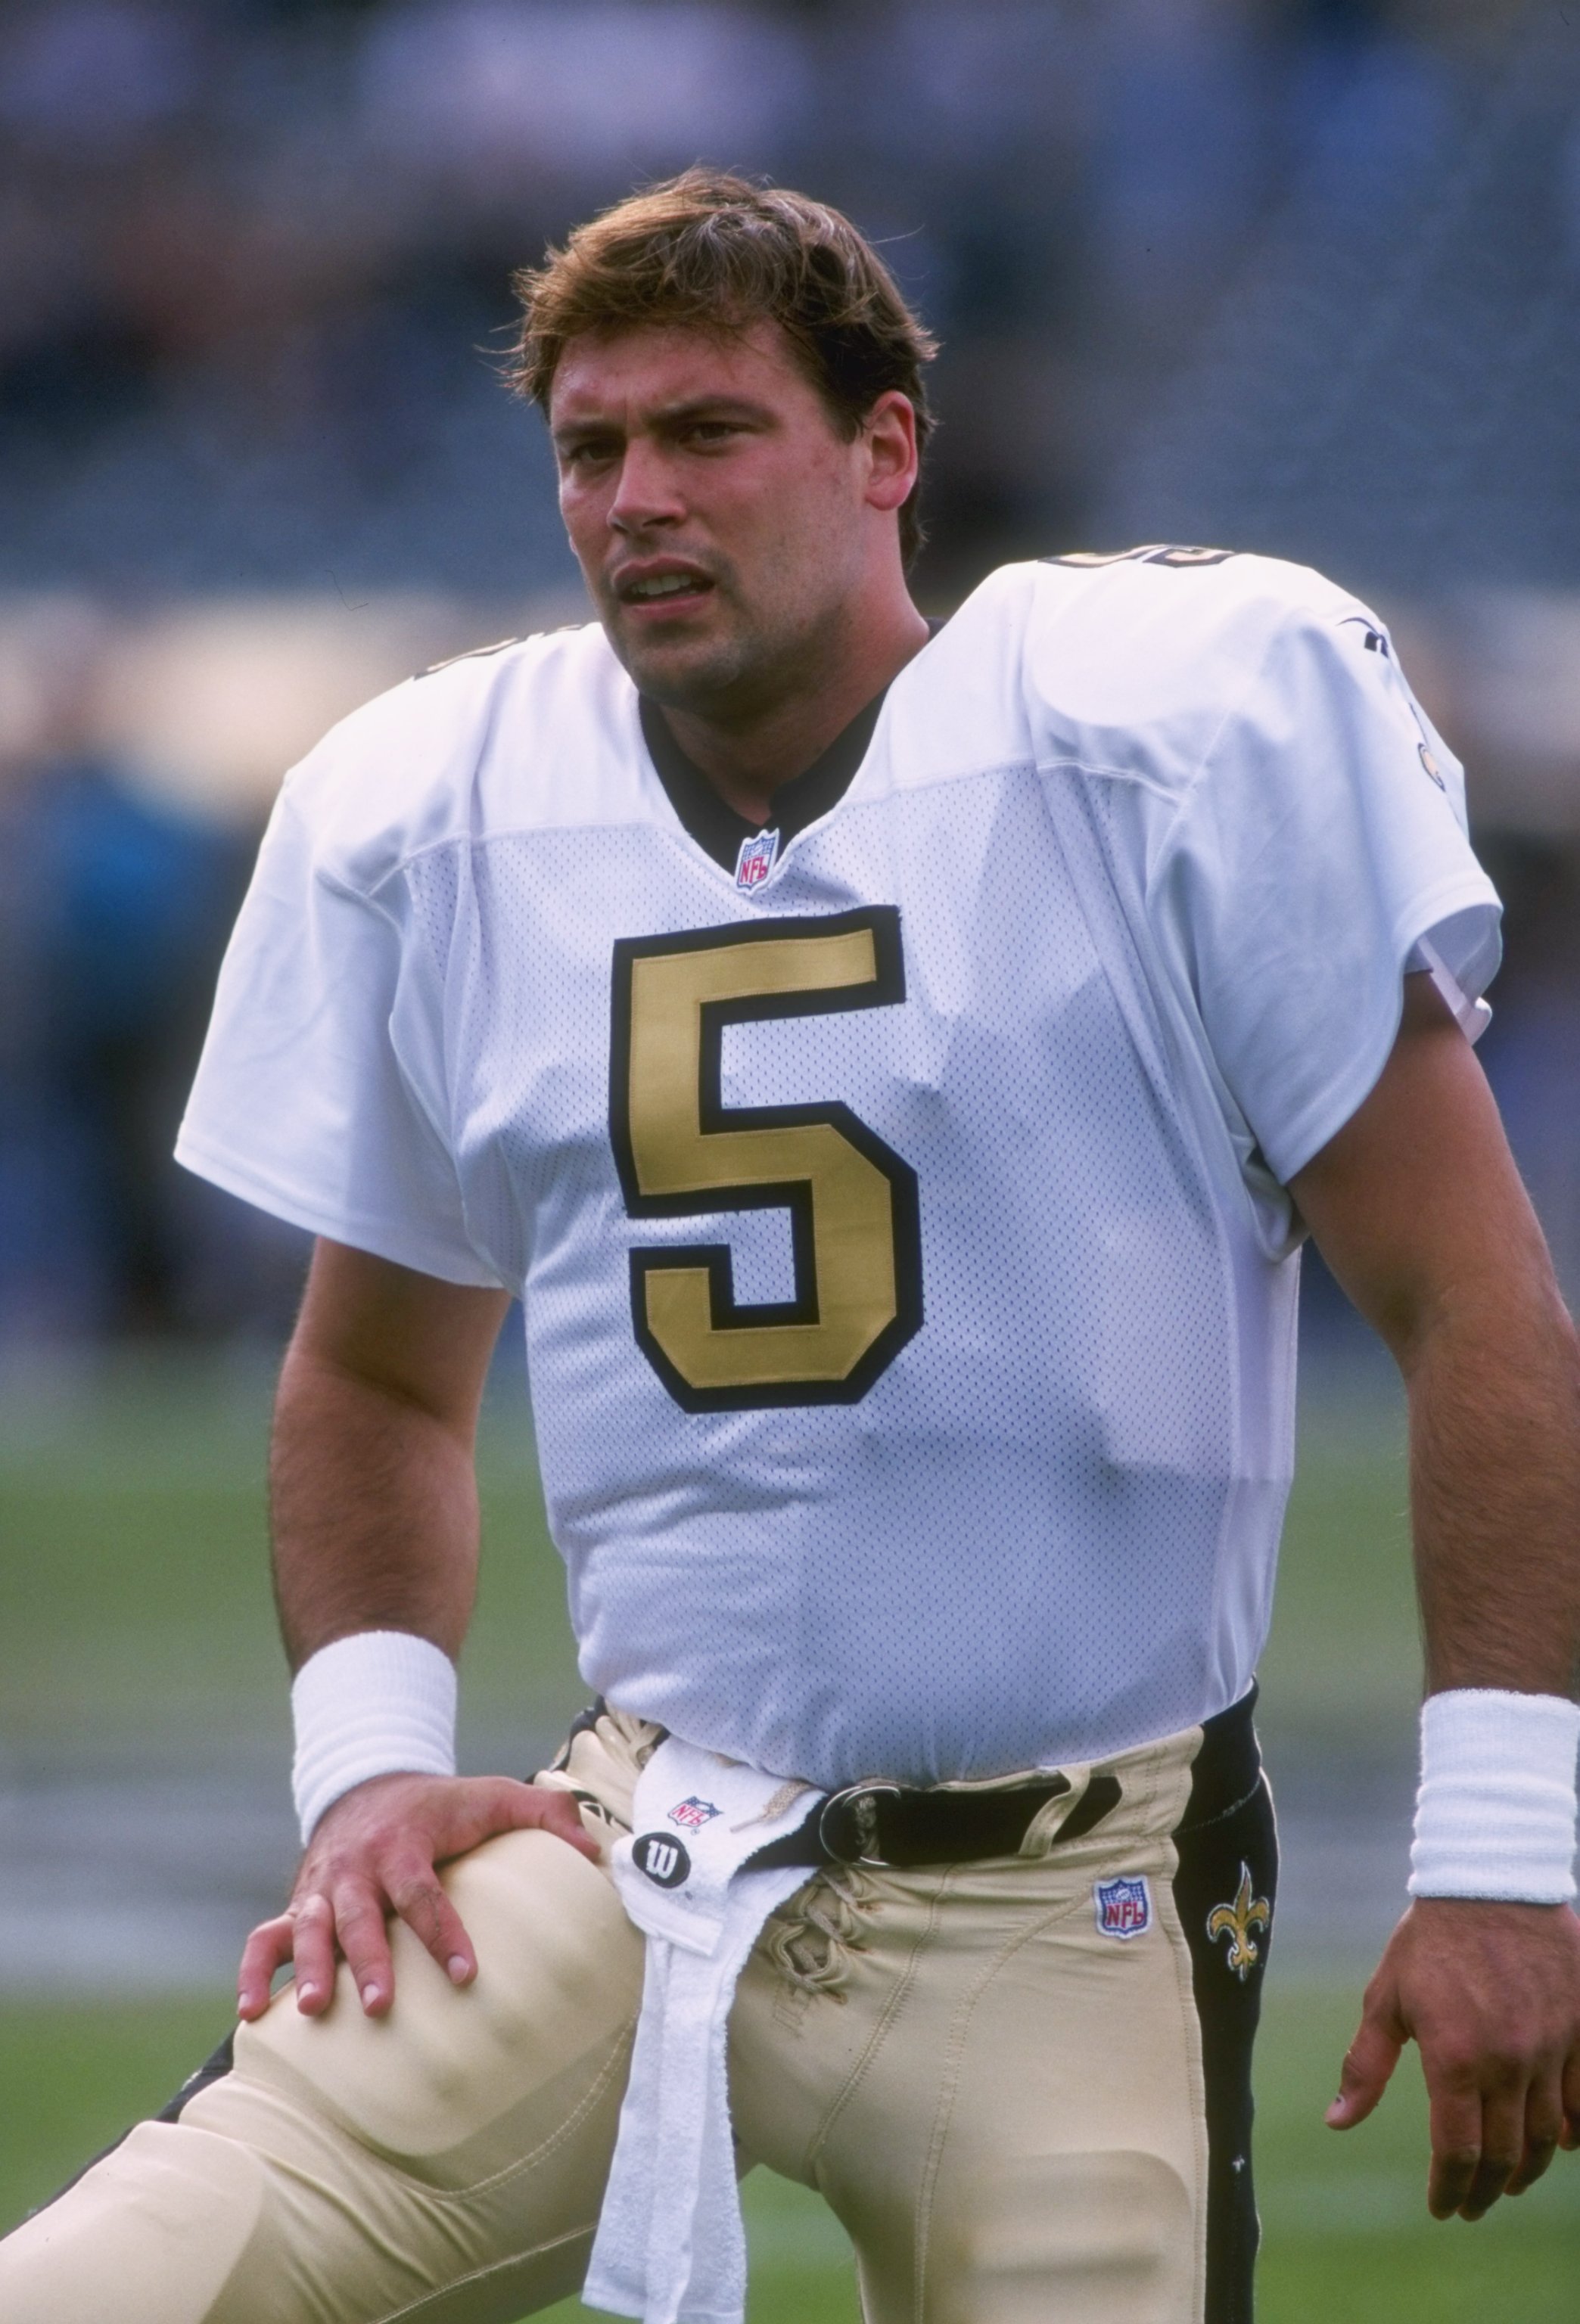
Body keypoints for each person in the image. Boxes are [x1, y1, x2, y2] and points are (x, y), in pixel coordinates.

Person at [5, 169, 1578, 2324]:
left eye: (710, 432)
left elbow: (1482, 1309)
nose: (639, 497)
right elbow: (373, 1377)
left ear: (884, 449)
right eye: (591, 448)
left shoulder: (1161, 736)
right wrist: (369, 1774)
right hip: (641, 1848)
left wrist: (1508, 1852)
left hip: (1080, 1898)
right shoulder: (441, 813)